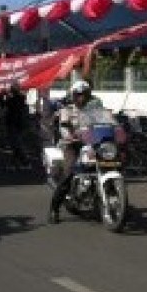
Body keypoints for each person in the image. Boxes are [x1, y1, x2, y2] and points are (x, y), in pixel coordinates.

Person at [48, 79, 104, 224]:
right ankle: (54, 209)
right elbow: (64, 128)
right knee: (69, 173)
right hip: (72, 145)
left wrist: (116, 130)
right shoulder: (67, 110)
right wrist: (70, 136)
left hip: (92, 143)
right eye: (79, 94)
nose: (82, 97)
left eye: (85, 94)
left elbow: (107, 123)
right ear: (73, 95)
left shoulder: (94, 110)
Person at [4, 81, 31, 170]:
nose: (11, 89)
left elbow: (9, 105)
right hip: (15, 124)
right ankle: (15, 163)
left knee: (16, 144)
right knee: (14, 145)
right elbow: (6, 105)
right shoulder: (18, 98)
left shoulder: (18, 98)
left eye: (12, 88)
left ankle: (25, 162)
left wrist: (6, 96)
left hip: (15, 124)